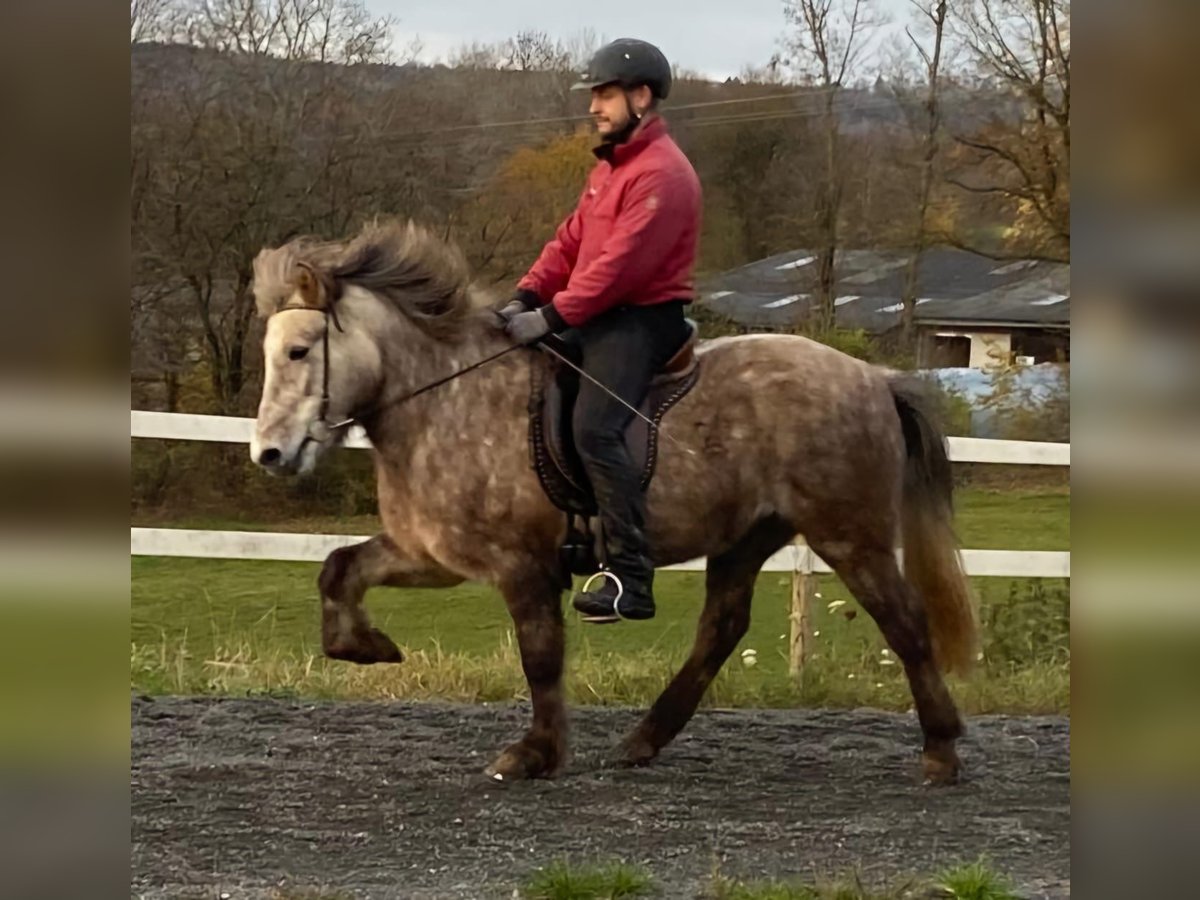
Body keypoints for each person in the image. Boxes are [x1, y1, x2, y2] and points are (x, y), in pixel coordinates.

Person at [497, 37, 702, 623]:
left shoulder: (663, 175)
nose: (595, 106)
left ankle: (630, 576)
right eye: (594, 95)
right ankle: (565, 532)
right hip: (593, 313)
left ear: (642, 96)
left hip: (640, 320)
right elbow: (570, 243)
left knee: (595, 427)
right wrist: (524, 295)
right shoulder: (609, 169)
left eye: (606, 94)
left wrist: (552, 317)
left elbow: (619, 268)